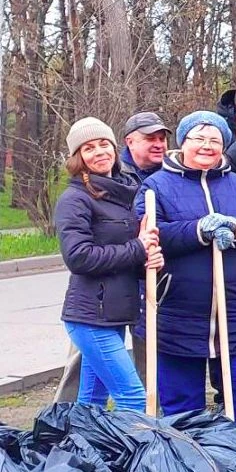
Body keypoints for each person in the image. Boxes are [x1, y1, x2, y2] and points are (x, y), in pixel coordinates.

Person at [136, 111, 236, 439]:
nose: (206, 146)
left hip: (235, 310)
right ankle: (190, 458)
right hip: (177, 314)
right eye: (198, 138)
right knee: (182, 402)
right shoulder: (156, 186)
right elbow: (150, 234)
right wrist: (198, 230)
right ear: (183, 143)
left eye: (214, 140)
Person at [52, 110, 173, 403]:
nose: (99, 152)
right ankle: (136, 438)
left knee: (91, 401)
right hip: (91, 317)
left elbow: (127, 254)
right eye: (89, 148)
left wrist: (149, 261)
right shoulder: (75, 199)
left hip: (115, 313)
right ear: (78, 157)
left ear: (114, 148)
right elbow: (79, 257)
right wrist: (138, 248)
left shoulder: (122, 193)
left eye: (104, 144)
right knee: (133, 397)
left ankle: (83, 434)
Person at [121, 111, 173, 184]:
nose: (159, 145)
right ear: (130, 142)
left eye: (162, 139)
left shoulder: (177, 174)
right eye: (150, 139)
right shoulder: (114, 176)